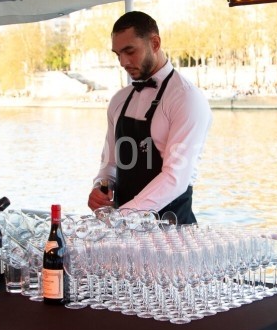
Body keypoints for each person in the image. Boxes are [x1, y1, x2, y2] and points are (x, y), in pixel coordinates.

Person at [88, 11, 212, 225]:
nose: (123, 62)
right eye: (117, 54)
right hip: (124, 230)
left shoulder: (186, 98)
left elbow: (176, 179)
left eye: (130, 51)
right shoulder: (119, 100)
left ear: (155, 43)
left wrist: (122, 217)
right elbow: (110, 162)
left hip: (172, 233)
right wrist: (101, 186)